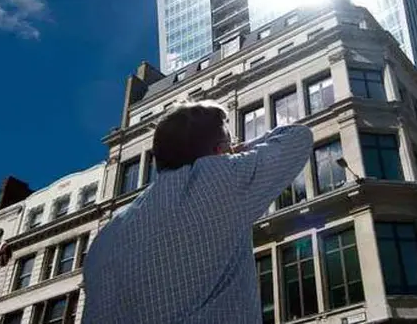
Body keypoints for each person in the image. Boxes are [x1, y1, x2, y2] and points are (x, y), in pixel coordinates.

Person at [83, 100, 313, 324]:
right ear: (220, 151)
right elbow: (297, 137)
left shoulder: (107, 235)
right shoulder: (216, 181)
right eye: (230, 146)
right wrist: (236, 153)